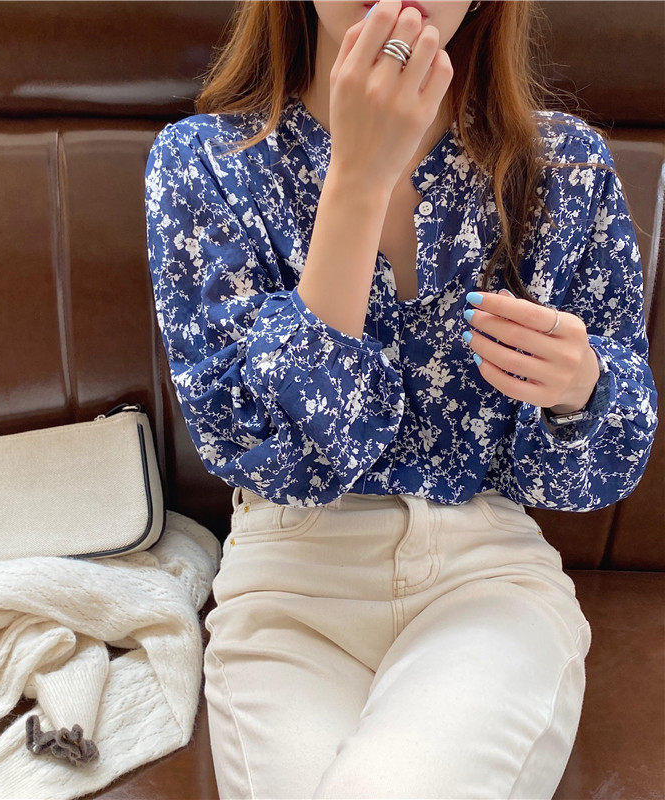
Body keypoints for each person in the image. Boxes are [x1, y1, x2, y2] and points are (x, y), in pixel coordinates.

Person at [143, 1, 658, 797]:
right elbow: (264, 455)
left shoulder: (565, 170)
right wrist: (357, 179)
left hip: (487, 576)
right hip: (289, 582)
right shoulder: (203, 164)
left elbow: (602, 467)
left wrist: (580, 389)